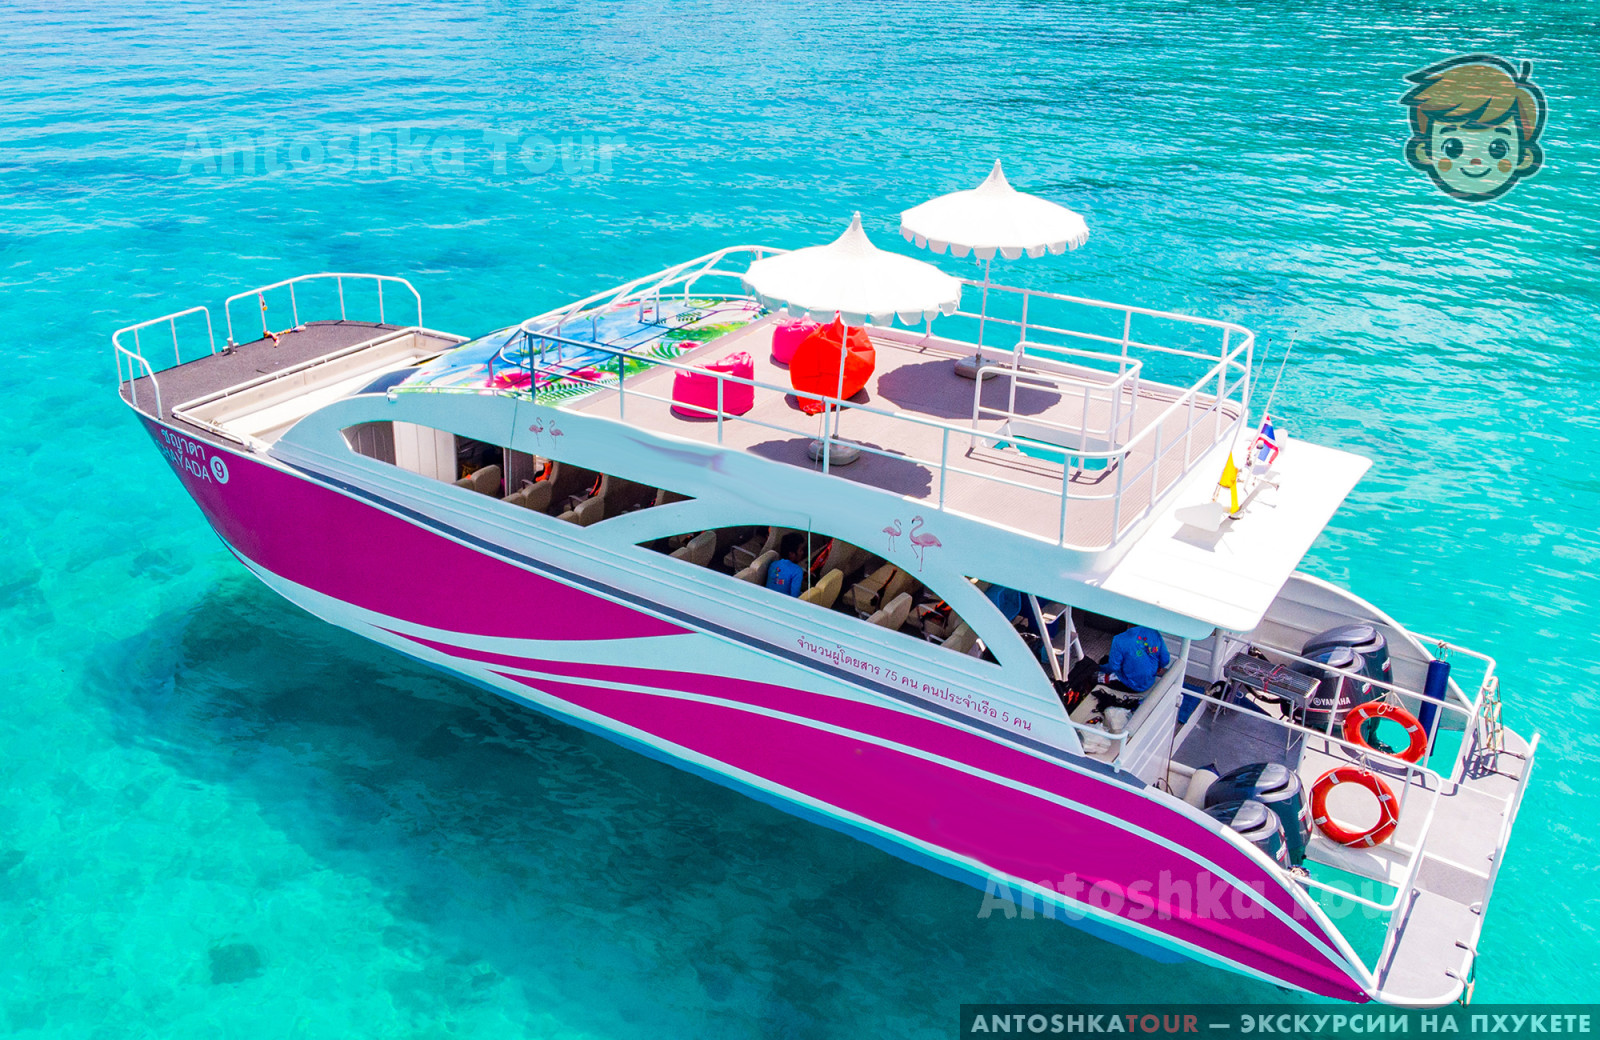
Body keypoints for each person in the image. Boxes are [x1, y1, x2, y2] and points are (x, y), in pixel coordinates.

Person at [1099, 625, 1171, 694]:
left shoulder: (1119, 639)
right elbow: (1165, 659)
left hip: (1133, 686)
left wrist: (1100, 668)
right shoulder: (1154, 632)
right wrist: (1158, 668)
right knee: (1107, 659)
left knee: (1102, 666)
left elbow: (1114, 667)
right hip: (1150, 680)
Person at [765, 532, 809, 597]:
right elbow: (794, 595)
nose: (802, 553)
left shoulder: (773, 564)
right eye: (800, 550)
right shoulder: (797, 570)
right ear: (791, 554)